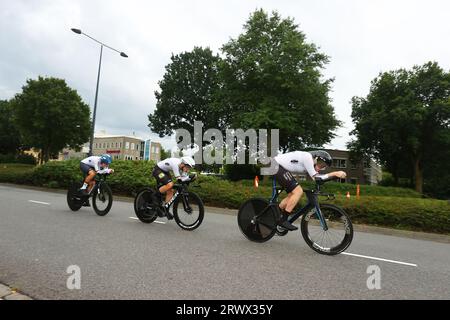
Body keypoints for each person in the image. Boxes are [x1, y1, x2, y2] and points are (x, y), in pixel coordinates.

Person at [273, 150, 346, 231]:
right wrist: (335, 173)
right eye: (320, 164)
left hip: (278, 166)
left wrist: (335, 176)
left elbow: (319, 179)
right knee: (298, 191)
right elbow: (317, 178)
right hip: (275, 165)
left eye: (323, 166)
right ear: (316, 158)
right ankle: (283, 220)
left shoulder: (310, 159)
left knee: (292, 195)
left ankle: (274, 213)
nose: (320, 167)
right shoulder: (308, 157)